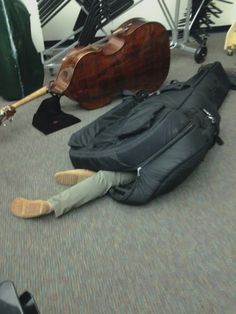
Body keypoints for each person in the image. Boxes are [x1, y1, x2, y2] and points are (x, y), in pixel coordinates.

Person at [10, 169, 136, 219]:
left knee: (106, 178)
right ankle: (93, 179)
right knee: (107, 173)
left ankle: (51, 205)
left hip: (143, 169)